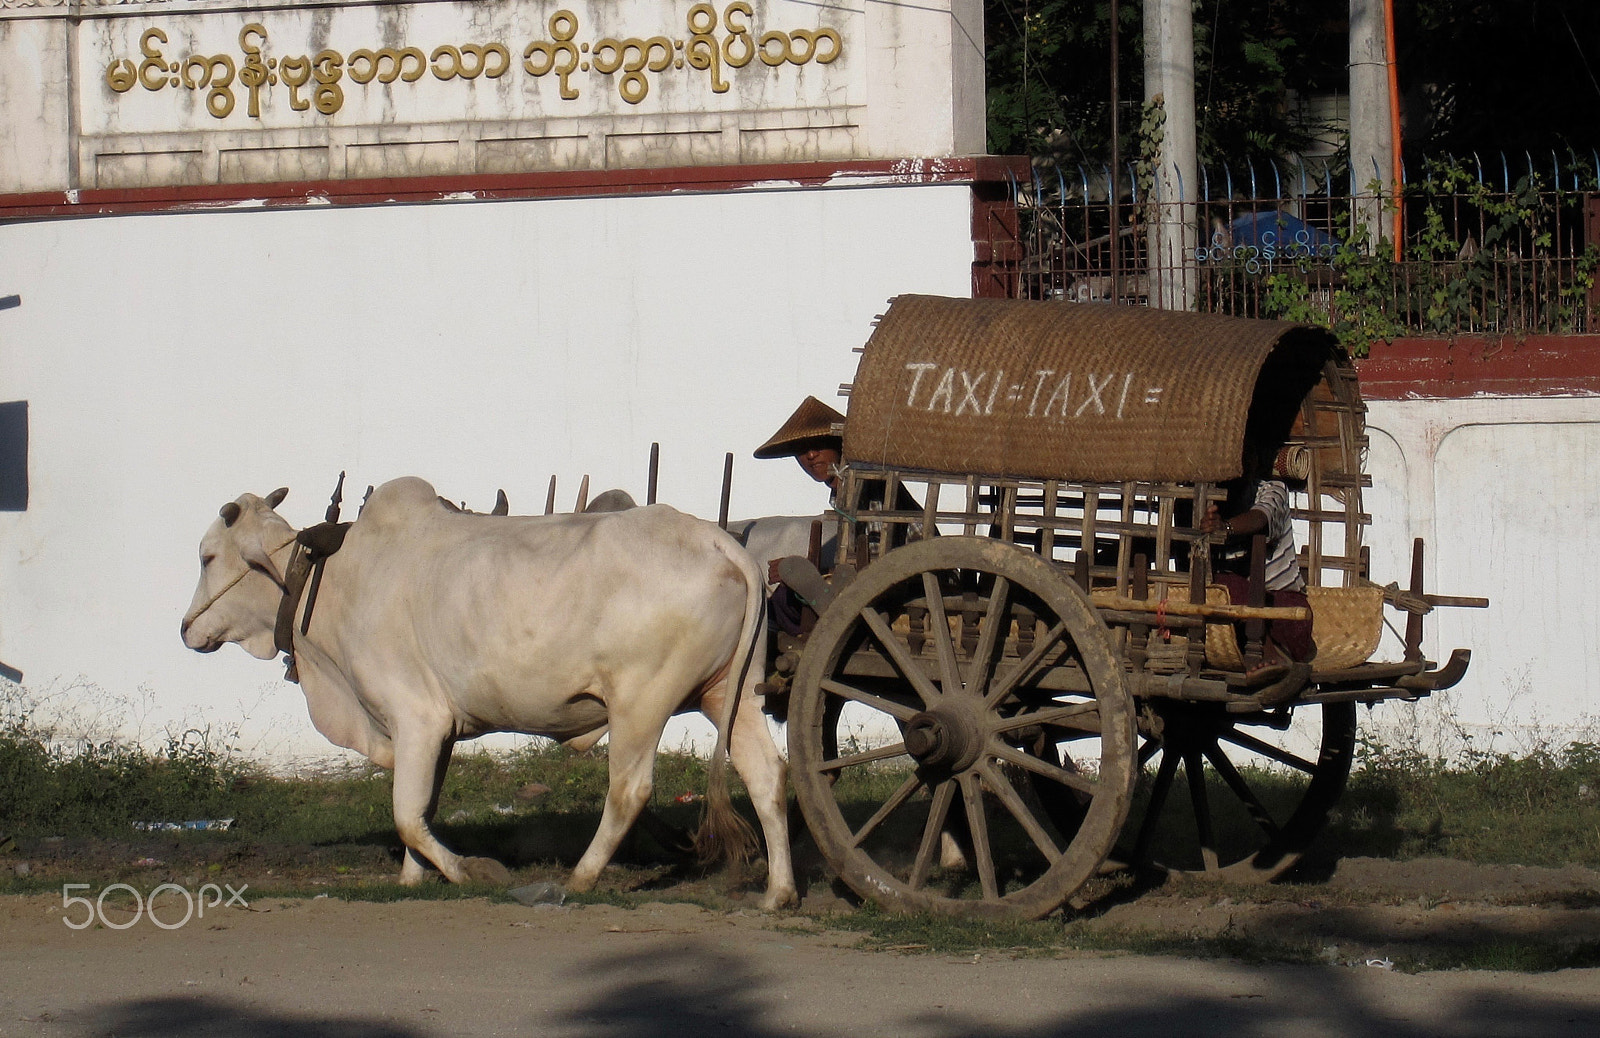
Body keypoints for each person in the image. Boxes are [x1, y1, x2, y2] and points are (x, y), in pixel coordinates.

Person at [1199, 446, 1315, 676]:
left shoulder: (1272, 489)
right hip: (1234, 622)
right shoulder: (1210, 498)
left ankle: (1270, 651)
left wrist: (1226, 528)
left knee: (1232, 587)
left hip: (1284, 614)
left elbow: (1260, 519)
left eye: (1246, 457)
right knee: (1224, 586)